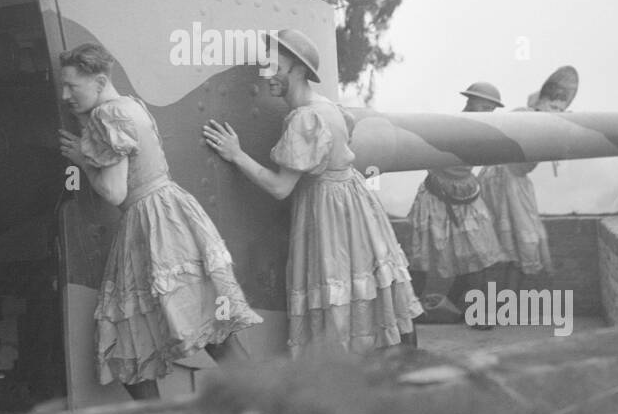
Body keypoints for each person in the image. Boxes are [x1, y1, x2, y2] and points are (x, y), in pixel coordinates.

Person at [56, 43, 260, 401]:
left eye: (73, 86)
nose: (65, 94)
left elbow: (114, 192)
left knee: (128, 341)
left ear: (100, 80)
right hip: (173, 212)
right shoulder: (131, 105)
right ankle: (271, 406)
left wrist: (83, 160)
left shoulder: (108, 116)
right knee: (214, 329)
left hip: (149, 221)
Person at [202, 28, 421, 354]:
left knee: (337, 289)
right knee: (363, 284)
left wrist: (237, 155)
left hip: (328, 211)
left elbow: (279, 187)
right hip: (355, 204)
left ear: (299, 69)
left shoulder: (305, 119)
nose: (268, 76)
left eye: (275, 66)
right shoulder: (328, 106)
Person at [406, 82, 509, 327]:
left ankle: (476, 312)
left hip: (467, 197)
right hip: (437, 197)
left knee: (477, 255)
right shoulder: (448, 124)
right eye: (482, 105)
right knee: (422, 260)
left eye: (491, 108)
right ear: (469, 101)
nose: (486, 110)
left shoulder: (487, 129)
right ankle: (407, 311)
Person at [478, 67, 578, 289]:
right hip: (500, 180)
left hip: (517, 184)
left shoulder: (553, 128)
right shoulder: (523, 113)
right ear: (540, 102)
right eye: (552, 106)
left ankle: (503, 308)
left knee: (523, 247)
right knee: (499, 247)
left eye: (560, 108)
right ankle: (486, 310)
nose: (556, 111)